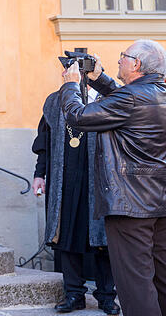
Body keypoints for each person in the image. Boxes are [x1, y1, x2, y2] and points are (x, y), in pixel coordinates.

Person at [60, 39, 166, 316]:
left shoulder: (130, 98)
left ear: (136, 64)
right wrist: (99, 78)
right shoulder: (157, 93)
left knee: (136, 283)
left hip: (130, 203)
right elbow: (127, 99)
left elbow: (78, 116)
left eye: (123, 56)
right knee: (161, 278)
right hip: (160, 202)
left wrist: (71, 84)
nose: (119, 59)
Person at [32, 87, 119, 314]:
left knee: (103, 240)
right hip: (65, 181)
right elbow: (45, 140)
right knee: (67, 236)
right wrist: (39, 174)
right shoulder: (54, 101)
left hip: (101, 181)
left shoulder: (107, 99)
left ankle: (106, 296)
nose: (67, 75)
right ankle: (74, 294)